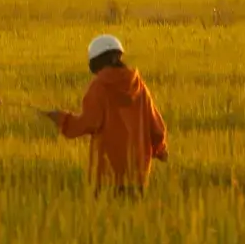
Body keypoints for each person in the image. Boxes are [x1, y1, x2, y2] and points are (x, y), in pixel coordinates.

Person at [42, 35, 170, 196]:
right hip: (137, 173)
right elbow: (156, 125)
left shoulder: (99, 87)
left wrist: (61, 119)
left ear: (96, 61)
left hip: (106, 174)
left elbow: (89, 122)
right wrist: (160, 150)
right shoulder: (139, 85)